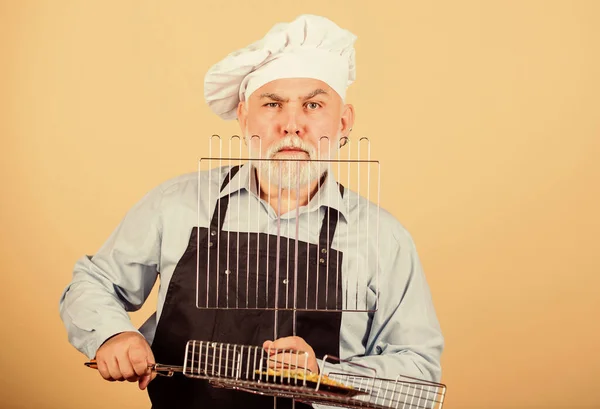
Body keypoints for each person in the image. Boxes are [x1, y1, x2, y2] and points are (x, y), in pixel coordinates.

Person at [59, 14, 444, 409]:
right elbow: (93, 282)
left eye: (313, 104)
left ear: (343, 122)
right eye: (272, 104)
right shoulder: (176, 203)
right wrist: (111, 335)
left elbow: (419, 368)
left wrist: (325, 377)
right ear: (244, 117)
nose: (291, 126)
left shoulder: (384, 238)